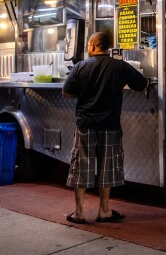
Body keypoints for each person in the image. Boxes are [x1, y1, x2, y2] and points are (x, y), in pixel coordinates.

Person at [62, 32, 147, 224]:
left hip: (85, 125)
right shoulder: (119, 66)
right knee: (107, 167)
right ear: (108, 47)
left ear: (92, 45)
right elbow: (141, 84)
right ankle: (104, 211)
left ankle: (79, 212)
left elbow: (66, 93)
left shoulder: (80, 66)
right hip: (110, 125)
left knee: (81, 166)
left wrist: (85, 93)